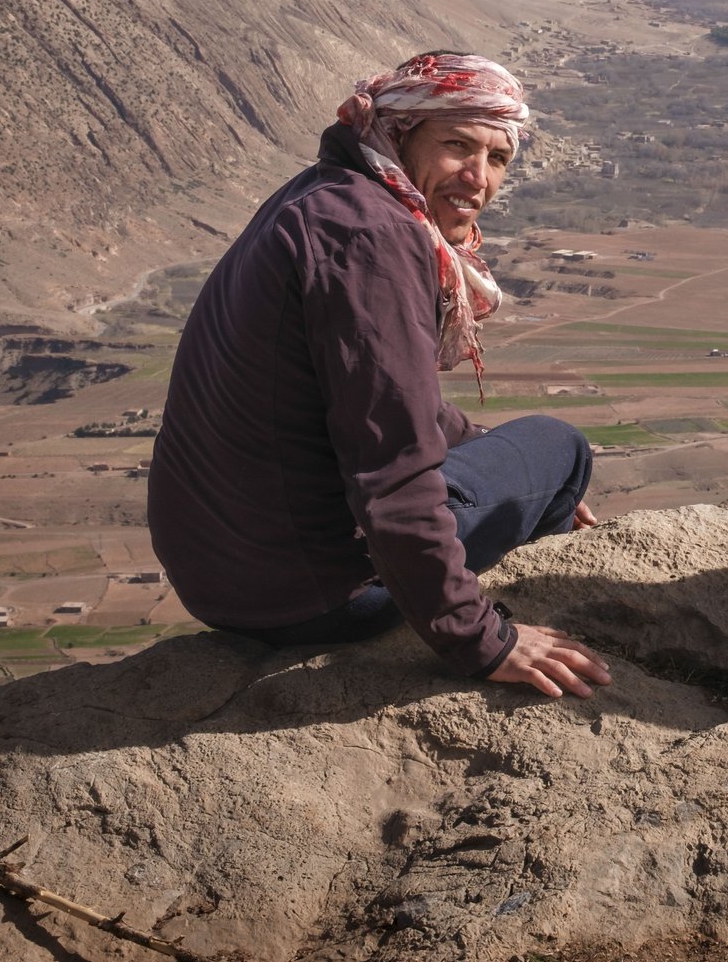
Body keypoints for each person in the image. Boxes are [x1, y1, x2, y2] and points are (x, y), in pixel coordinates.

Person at [148, 51, 612, 700]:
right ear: (402, 133)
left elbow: (391, 404)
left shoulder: (326, 195)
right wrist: (483, 642)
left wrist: (487, 454)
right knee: (560, 449)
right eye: (457, 145)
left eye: (498, 157)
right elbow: (393, 477)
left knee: (518, 458)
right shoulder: (374, 239)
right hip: (316, 597)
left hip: (222, 580)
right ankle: (543, 614)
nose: (477, 178)